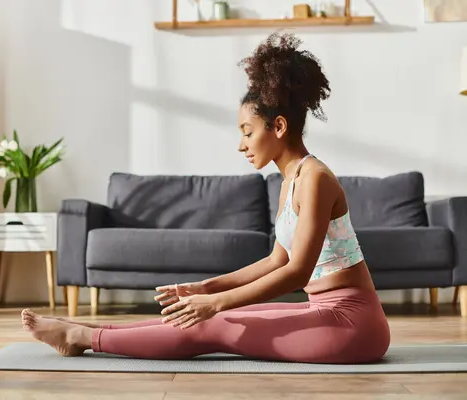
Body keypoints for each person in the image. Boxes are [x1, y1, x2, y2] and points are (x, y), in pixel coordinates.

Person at [21, 32, 390, 364]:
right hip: (327, 313)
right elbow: (277, 260)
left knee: (214, 323)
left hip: (352, 324)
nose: (241, 144)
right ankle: (87, 331)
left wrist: (215, 302)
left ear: (278, 126)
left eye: (248, 132)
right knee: (208, 314)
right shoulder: (289, 181)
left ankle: (83, 338)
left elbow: (297, 272)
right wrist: (206, 288)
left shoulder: (316, 179)